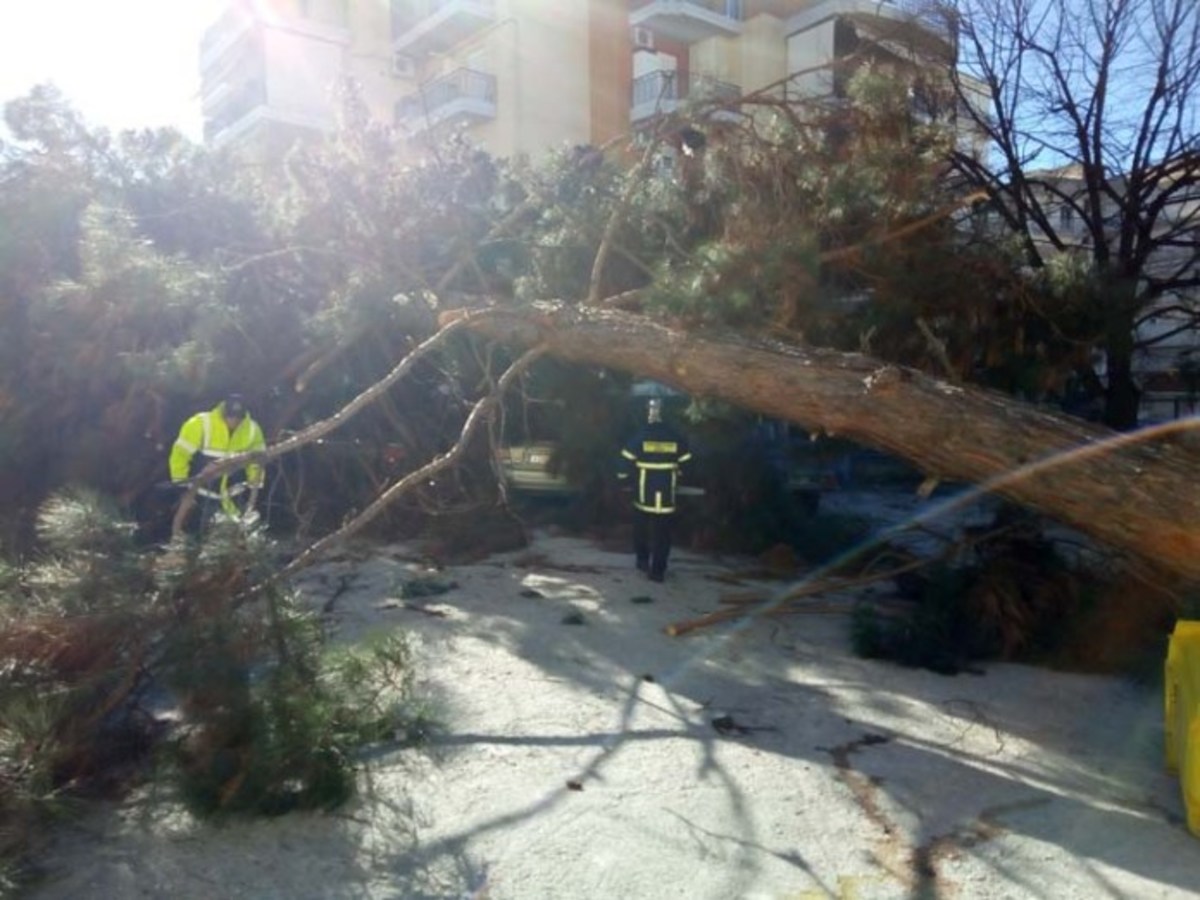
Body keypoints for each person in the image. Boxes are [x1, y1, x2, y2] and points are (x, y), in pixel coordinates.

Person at [168, 393, 266, 535]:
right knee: (197, 534)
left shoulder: (252, 429)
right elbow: (180, 454)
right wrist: (181, 486)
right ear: (223, 412)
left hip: (233, 496)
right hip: (201, 493)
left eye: (237, 418)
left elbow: (257, 460)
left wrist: (255, 483)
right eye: (230, 417)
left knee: (236, 535)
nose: (233, 421)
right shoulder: (200, 423)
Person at [617, 397, 692, 582]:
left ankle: (642, 561)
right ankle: (658, 571)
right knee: (663, 535)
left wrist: (624, 480)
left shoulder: (640, 437)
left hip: (643, 496)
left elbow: (623, 464)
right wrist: (679, 476)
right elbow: (688, 464)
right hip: (667, 497)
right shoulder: (676, 438)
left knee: (640, 530)